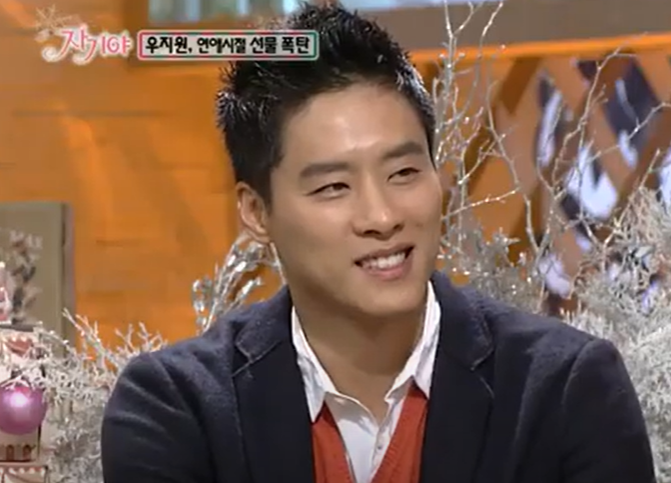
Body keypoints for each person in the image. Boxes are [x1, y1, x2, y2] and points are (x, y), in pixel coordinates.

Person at [100, 3, 656, 483]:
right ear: (256, 212)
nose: (383, 217)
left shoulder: (565, 391)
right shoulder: (179, 408)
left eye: (404, 173)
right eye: (333, 187)